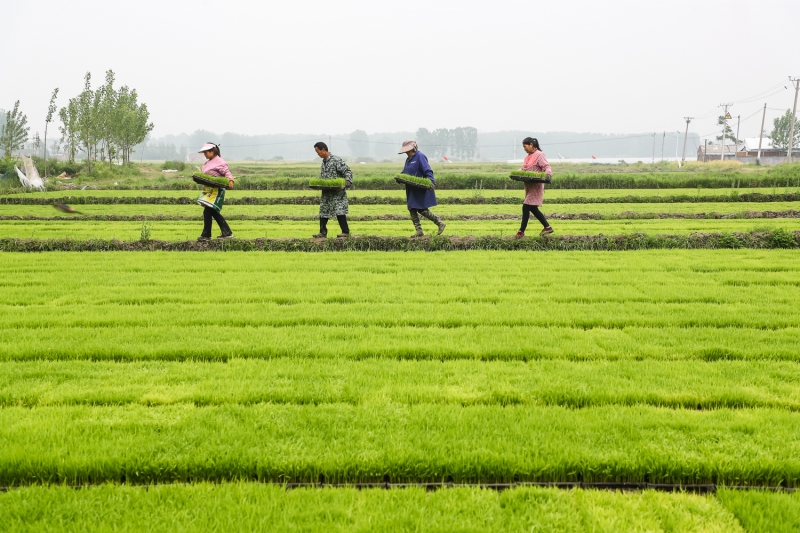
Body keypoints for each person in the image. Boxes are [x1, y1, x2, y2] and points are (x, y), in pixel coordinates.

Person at [398, 140, 445, 238]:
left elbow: (427, 170)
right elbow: (406, 172)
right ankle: (419, 231)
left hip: (419, 187)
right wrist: (400, 178)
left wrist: (431, 181)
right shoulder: (408, 159)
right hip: (411, 189)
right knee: (412, 208)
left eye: (408, 150)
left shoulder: (420, 156)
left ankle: (440, 222)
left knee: (422, 209)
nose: (407, 152)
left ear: (413, 148)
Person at [313, 142, 353, 238]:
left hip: (337, 192)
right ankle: (322, 233)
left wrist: (347, 181)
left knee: (339, 211)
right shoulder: (324, 162)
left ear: (323, 150)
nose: (317, 154)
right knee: (323, 211)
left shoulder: (336, 160)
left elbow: (347, 171)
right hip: (326, 192)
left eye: (318, 152)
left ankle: (345, 232)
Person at [516, 137, 554, 238]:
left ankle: (521, 231)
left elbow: (546, 166)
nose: (524, 148)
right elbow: (523, 168)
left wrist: (548, 174)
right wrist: (515, 173)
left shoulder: (539, 155)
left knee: (526, 206)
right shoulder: (528, 157)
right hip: (529, 185)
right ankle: (547, 227)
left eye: (525, 146)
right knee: (532, 208)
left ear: (531, 145)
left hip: (536, 185)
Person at [197, 142, 235, 240]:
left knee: (209, 211)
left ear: (212, 151)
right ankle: (226, 233)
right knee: (211, 211)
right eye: (204, 152)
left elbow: (226, 172)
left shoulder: (219, 161)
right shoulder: (207, 163)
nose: (205, 154)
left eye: (206, 152)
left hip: (217, 190)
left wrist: (230, 180)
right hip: (209, 190)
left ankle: (207, 235)